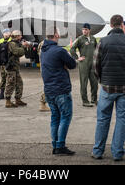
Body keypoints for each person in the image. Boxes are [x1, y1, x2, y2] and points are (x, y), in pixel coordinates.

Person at [92, 15, 125, 161]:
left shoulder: (103, 42)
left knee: (102, 119)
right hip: (124, 87)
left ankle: (98, 151)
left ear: (111, 25)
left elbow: (95, 65)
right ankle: (117, 152)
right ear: (121, 24)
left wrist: (102, 80)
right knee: (121, 119)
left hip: (107, 86)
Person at [41, 26, 77, 156]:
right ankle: (60, 145)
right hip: (61, 89)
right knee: (65, 116)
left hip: (49, 90)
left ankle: (55, 144)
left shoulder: (43, 50)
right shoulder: (59, 51)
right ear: (56, 35)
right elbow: (72, 64)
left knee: (55, 117)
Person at [70, 23, 98, 107]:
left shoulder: (93, 38)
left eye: (86, 29)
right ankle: (85, 101)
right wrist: (77, 57)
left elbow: (97, 49)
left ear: (89, 30)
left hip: (93, 64)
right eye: (83, 29)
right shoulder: (80, 39)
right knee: (84, 83)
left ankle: (94, 99)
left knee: (94, 83)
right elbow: (72, 49)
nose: (84, 31)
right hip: (84, 64)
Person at [3, 30, 31, 108]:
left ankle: (18, 99)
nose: (21, 37)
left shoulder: (16, 43)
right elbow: (17, 52)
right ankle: (8, 101)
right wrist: (23, 46)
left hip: (15, 67)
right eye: (20, 35)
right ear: (16, 36)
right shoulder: (12, 44)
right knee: (10, 83)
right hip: (11, 67)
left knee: (19, 83)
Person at [0, 29, 12, 100]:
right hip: (3, 64)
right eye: (4, 33)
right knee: (3, 78)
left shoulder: (12, 41)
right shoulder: (0, 41)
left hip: (10, 63)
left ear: (10, 34)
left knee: (11, 79)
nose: (6, 34)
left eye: (7, 33)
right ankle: (1, 93)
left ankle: (9, 94)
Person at [37, 40, 50, 112]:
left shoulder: (42, 43)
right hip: (47, 68)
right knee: (49, 86)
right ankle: (43, 103)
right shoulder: (46, 44)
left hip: (44, 67)